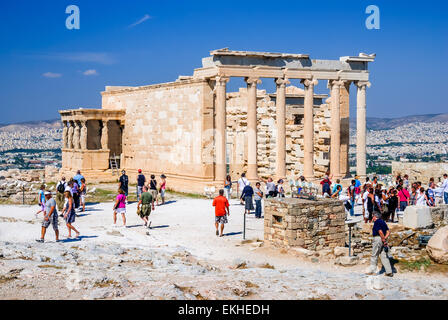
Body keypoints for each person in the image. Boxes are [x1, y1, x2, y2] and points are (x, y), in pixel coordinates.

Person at [366, 212, 393, 277]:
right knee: (384, 256)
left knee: (374, 255)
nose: (372, 218)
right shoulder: (383, 222)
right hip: (383, 239)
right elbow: (388, 232)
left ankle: (373, 271)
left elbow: (380, 231)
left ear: (375, 217)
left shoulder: (377, 222)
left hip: (378, 239)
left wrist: (382, 238)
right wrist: (385, 239)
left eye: (373, 217)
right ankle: (389, 271)